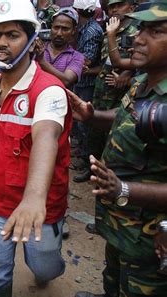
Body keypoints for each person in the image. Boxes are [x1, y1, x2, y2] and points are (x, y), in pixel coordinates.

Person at [0, 0, 72, 297]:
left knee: (44, 267)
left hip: (39, 205)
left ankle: (45, 269)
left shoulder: (49, 91)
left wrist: (33, 198)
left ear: (32, 40)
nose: (2, 43)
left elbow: (45, 136)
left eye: (13, 34)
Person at [71, 2, 167, 297]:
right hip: (121, 218)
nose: (138, 38)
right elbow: (126, 115)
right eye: (140, 29)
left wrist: (125, 189)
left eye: (155, 31)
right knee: (115, 266)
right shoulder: (143, 80)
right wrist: (91, 114)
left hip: (149, 230)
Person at [79, 0, 137, 187]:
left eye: (119, 5)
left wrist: (127, 76)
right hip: (101, 88)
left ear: (131, 6)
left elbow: (142, 63)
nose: (114, 9)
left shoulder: (138, 31)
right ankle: (93, 168)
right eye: (111, 6)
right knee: (94, 130)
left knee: (114, 133)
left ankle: (110, 175)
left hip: (121, 94)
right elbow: (105, 61)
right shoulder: (109, 30)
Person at [71, 0, 104, 181]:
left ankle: (88, 163)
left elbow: (87, 61)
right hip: (82, 80)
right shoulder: (85, 28)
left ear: (79, 11)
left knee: (85, 124)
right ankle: (83, 155)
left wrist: (70, 62)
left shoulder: (91, 31)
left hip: (88, 82)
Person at [35, 7, 85, 89]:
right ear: (51, 27)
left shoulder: (77, 57)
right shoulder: (37, 48)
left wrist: (42, 61)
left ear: (73, 30)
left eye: (65, 29)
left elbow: (67, 81)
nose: (59, 33)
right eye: (56, 27)